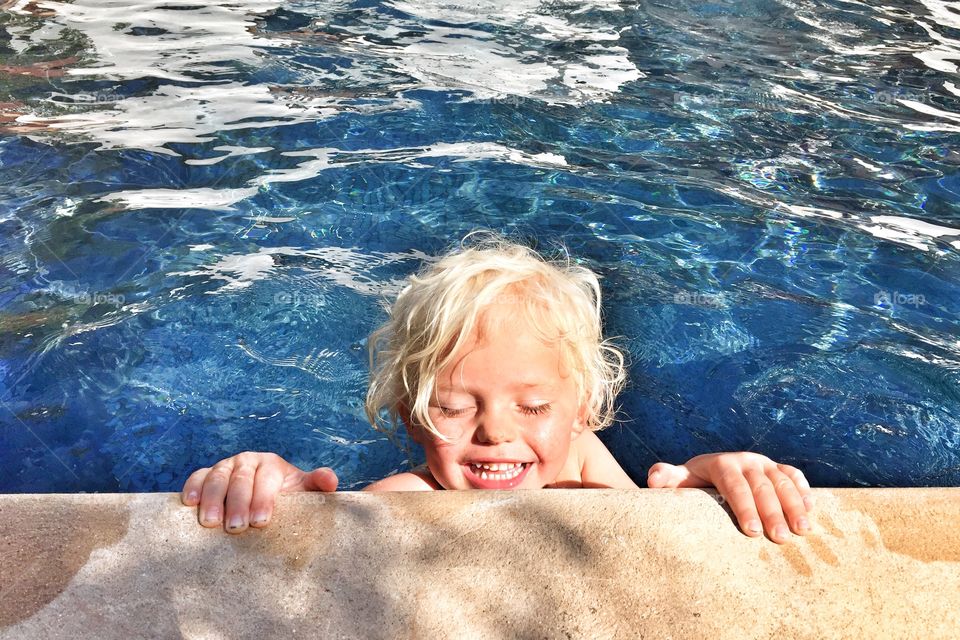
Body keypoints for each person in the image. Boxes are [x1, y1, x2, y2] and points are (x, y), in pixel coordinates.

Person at [181, 232, 814, 543]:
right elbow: (329, 536)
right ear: (407, 414)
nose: (495, 433)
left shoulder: (588, 469)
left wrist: (714, 476)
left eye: (534, 405)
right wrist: (278, 491)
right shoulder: (407, 498)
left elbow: (673, 498)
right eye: (451, 407)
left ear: (585, 408)